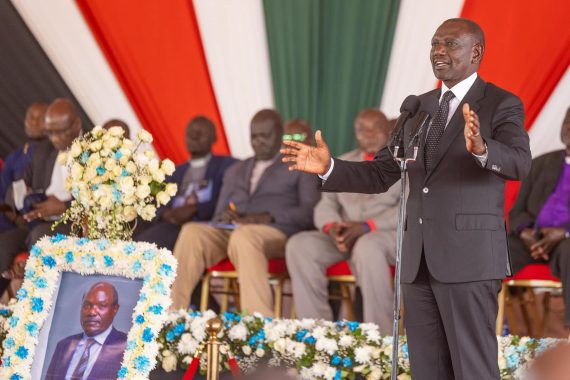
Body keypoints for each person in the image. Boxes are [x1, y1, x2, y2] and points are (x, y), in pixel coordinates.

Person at [281, 18, 531, 380]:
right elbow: (381, 173)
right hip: (417, 262)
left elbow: (520, 163)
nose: (439, 51)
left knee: (472, 369)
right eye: (434, 44)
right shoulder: (418, 108)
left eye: (450, 44)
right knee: (427, 370)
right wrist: (330, 167)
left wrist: (481, 148)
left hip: (469, 260)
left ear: (476, 52)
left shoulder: (500, 103)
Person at [170, 109, 320, 315]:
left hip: (276, 232)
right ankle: (170, 316)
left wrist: (269, 217)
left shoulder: (301, 166)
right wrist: (225, 216)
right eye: (253, 137)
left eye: (264, 136)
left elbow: (310, 213)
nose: (258, 142)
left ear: (279, 132)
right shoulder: (236, 170)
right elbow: (218, 214)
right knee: (191, 231)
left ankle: (257, 325)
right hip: (232, 230)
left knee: (244, 237)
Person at [286, 108, 400, 332]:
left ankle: (380, 340)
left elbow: (409, 207)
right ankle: (316, 336)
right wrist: (332, 227)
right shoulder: (343, 161)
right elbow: (325, 205)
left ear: (387, 129)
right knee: (299, 245)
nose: (368, 134)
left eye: (374, 127)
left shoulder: (402, 163)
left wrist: (367, 227)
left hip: (385, 234)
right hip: (345, 236)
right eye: (361, 129)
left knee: (368, 247)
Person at [0, 98, 80, 295]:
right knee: (5, 244)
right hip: (35, 221)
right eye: (50, 132)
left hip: (71, 223)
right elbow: (18, 186)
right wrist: (24, 197)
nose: (55, 138)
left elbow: (100, 201)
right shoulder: (43, 150)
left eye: (60, 131)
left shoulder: (95, 152)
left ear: (77, 124)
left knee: (40, 237)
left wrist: (64, 206)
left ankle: (36, 310)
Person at [508, 107, 570, 337]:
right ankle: (476, 323)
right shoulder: (540, 163)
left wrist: (563, 233)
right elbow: (517, 212)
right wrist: (525, 233)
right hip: (532, 241)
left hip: (565, 243)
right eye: (566, 121)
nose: (568, 127)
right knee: (494, 250)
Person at [134, 116, 237, 250]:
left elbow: (225, 200)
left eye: (200, 133)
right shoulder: (174, 172)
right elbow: (158, 203)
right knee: (138, 244)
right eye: (190, 133)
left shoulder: (227, 165)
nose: (194, 137)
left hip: (203, 226)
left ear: (214, 138)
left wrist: (195, 209)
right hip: (171, 224)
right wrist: (168, 214)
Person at [45, 282, 127, 380]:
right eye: (87, 305)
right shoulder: (64, 346)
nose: (92, 312)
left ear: (115, 309)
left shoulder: (127, 348)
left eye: (101, 306)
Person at [0, 103, 47, 234]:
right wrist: (13, 216)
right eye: (30, 117)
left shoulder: (55, 154)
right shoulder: (14, 157)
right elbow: (3, 194)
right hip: (13, 219)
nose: (34, 122)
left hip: (42, 216)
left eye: (40, 118)